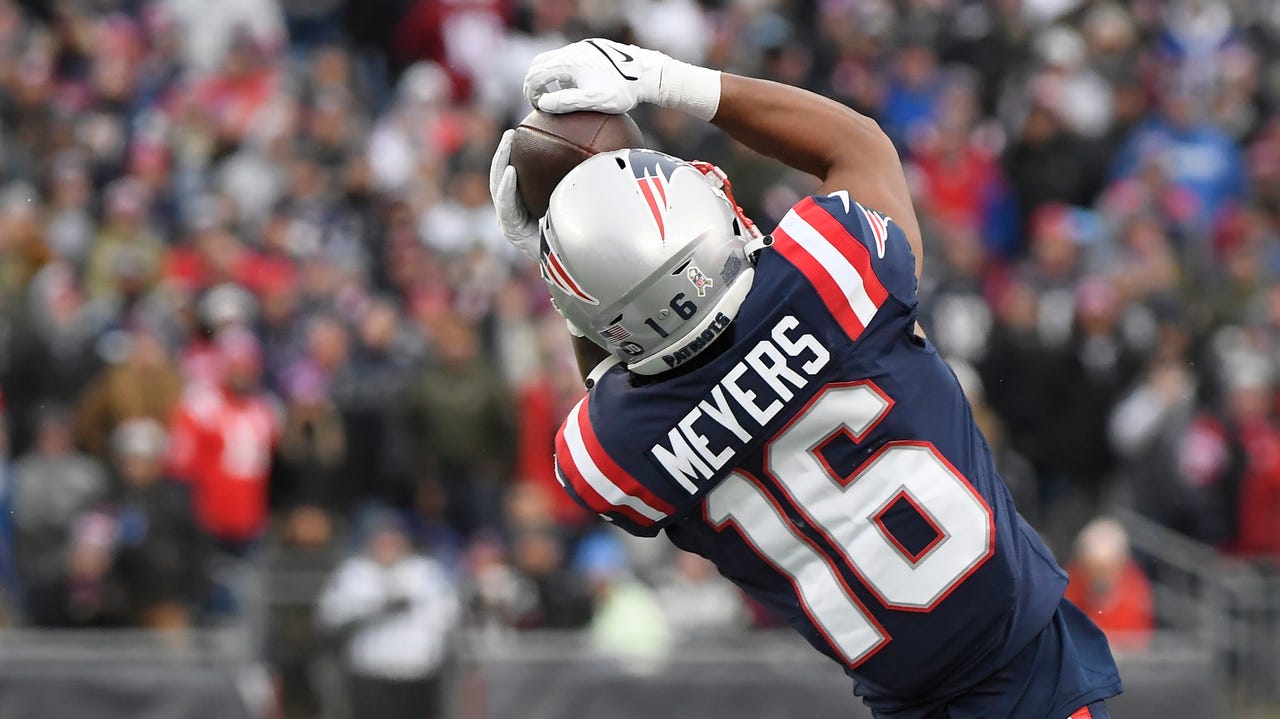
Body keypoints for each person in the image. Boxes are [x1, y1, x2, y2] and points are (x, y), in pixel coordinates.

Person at [490, 39, 1121, 718]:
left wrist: (570, 261)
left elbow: (613, 379)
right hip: (1024, 684)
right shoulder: (831, 273)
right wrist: (670, 80)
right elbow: (857, 147)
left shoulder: (612, 454)